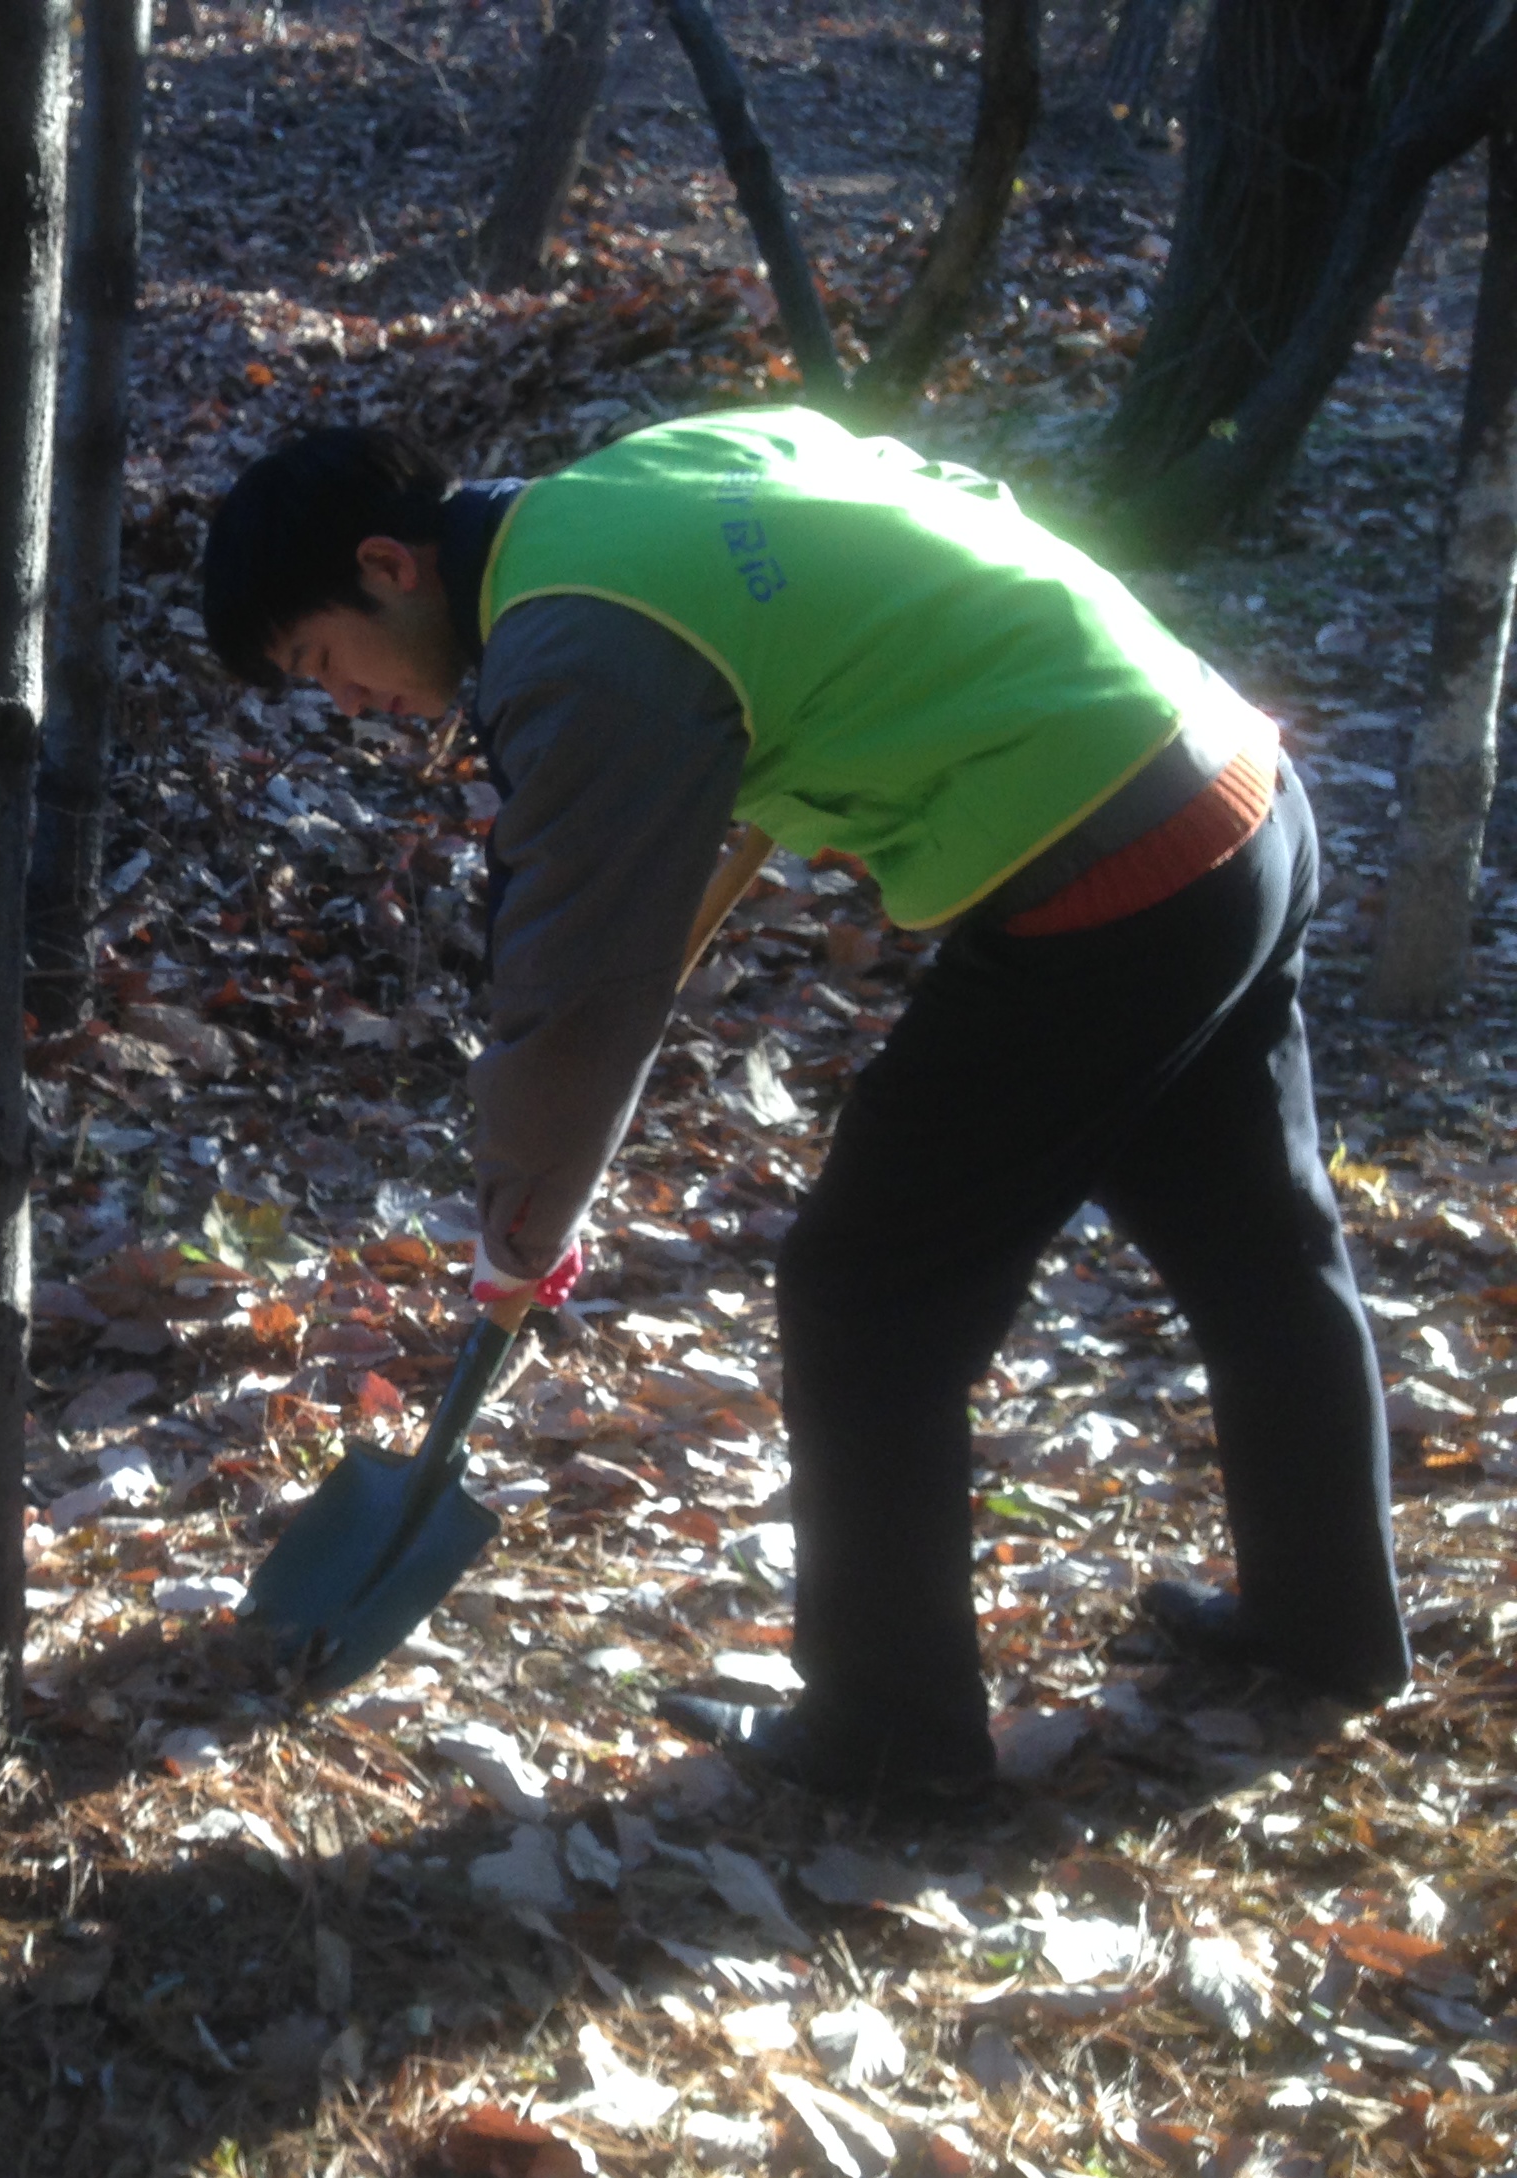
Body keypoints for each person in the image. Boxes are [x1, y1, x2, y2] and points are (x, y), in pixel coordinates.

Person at [200, 407, 1406, 1804]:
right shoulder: (634, 487)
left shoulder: (573, 645)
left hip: (1110, 871)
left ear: (389, 566)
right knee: (1257, 1238)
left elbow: (578, 984)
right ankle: (1328, 1631)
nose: (349, 705)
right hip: (1233, 788)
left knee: (863, 1293)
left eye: (323, 663)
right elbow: (942, 485)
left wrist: (517, 1225)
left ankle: (892, 1742)